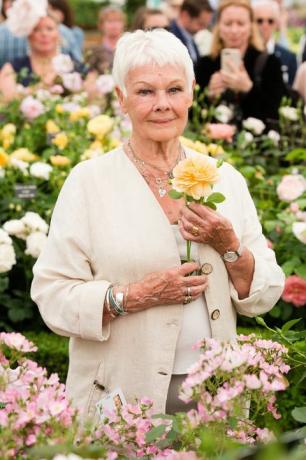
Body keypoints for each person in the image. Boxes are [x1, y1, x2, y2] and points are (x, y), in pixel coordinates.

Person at [31, 29, 284, 417]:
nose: (162, 104)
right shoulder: (88, 182)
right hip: (120, 396)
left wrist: (229, 244)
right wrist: (133, 295)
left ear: (192, 94)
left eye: (174, 90)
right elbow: (52, 295)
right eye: (145, 91)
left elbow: (264, 294)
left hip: (216, 400)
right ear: (121, 99)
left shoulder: (224, 178)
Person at [195, 0, 285, 126]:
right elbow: (193, 115)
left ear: (250, 27)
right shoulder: (205, 64)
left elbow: (273, 114)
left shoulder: (270, 63)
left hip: (256, 142)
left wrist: (248, 88)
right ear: (219, 26)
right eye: (228, 23)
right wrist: (208, 95)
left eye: (240, 23)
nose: (234, 30)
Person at [0, 1, 83, 94]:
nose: (44, 34)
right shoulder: (12, 67)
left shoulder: (75, 66)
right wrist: (44, 85)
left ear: (59, 33)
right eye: (37, 29)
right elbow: (8, 98)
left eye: (49, 29)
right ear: (28, 34)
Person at [253, 0, 297, 86]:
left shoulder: (289, 57)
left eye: (270, 21)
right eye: (259, 21)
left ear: (276, 23)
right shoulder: (244, 53)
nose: (265, 25)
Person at [169, 0, 214, 65]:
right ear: (185, 15)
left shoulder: (189, 37)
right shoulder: (170, 39)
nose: (203, 29)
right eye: (200, 24)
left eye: (205, 25)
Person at [86, 6, 126, 75]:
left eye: (118, 21)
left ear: (123, 24)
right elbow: (88, 72)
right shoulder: (94, 50)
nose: (114, 25)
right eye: (110, 21)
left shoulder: (129, 47)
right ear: (101, 25)